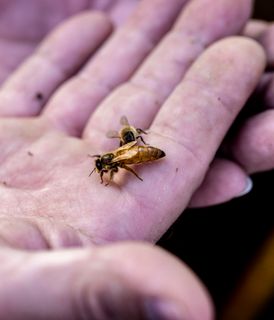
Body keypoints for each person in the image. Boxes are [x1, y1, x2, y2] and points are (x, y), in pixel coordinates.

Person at [0, 0, 272, 318]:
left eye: (103, 165)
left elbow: (125, 162)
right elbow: (119, 165)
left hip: (146, 154)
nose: (103, 167)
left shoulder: (119, 159)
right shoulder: (115, 161)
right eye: (103, 166)